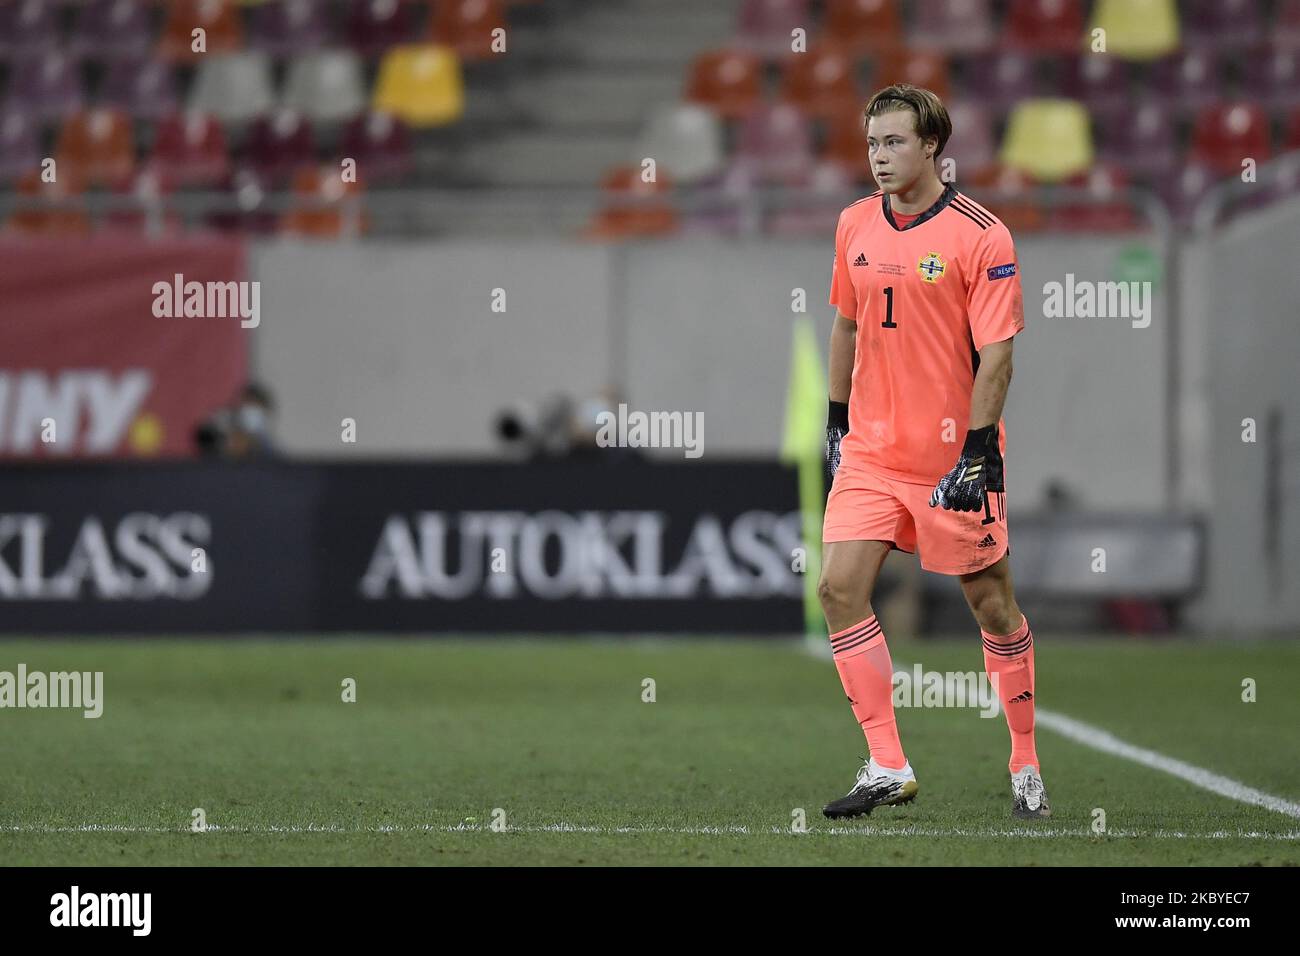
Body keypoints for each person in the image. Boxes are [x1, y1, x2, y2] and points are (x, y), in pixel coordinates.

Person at [818, 84, 1047, 820]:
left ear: (931, 149)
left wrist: (979, 452)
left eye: (894, 143)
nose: (879, 157)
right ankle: (888, 762)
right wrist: (834, 419)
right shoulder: (853, 222)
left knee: (993, 607)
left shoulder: (981, 235)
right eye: (872, 143)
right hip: (873, 452)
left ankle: (1024, 763)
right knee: (837, 588)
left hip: (954, 460)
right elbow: (846, 329)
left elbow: (998, 357)